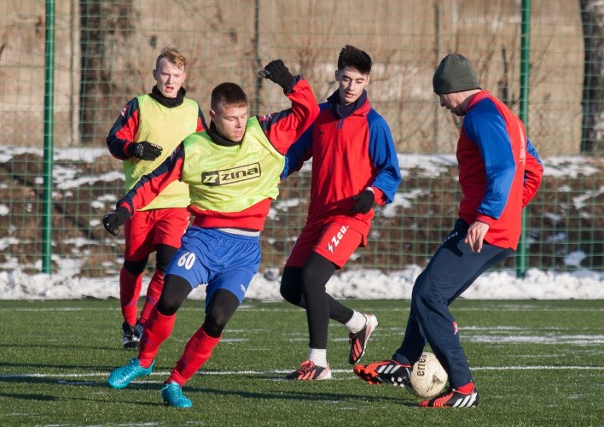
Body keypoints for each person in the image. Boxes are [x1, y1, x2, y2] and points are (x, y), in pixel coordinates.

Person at [101, 59, 319, 408]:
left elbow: (307, 112)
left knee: (217, 320)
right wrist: (124, 209)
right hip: (203, 240)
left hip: (243, 251)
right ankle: (142, 361)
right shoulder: (194, 148)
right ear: (213, 116)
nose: (238, 125)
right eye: (231, 118)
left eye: (242, 116)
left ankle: (175, 383)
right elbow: (152, 182)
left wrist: (290, 82)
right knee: (169, 297)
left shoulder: (264, 133)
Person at [353, 53, 544, 407]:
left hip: (484, 229)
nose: (442, 103)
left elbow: (503, 168)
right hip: (489, 225)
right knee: (425, 289)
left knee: (430, 295)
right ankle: (403, 362)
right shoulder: (505, 114)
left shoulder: (481, 116)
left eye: (441, 95)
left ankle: (464, 388)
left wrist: (489, 215)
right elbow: (533, 169)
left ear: (453, 89)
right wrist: (508, 210)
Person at [279, 45, 402, 380]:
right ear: (336, 75)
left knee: (312, 278)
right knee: (291, 288)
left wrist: (372, 194)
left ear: (367, 82)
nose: (351, 86)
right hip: (318, 216)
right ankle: (358, 322)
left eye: (359, 81)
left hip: (350, 217)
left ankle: (318, 363)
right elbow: (294, 155)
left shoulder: (374, 124)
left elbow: (390, 172)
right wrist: (272, 176)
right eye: (346, 78)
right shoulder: (319, 116)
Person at [105, 46, 207, 349]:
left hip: (176, 202)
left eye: (176, 74)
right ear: (155, 74)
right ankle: (128, 322)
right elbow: (114, 140)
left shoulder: (192, 110)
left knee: (167, 264)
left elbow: (205, 149)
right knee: (134, 265)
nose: (170, 79)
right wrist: (134, 149)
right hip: (140, 202)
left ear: (184, 76)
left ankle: (145, 323)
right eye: (165, 73)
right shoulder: (139, 106)